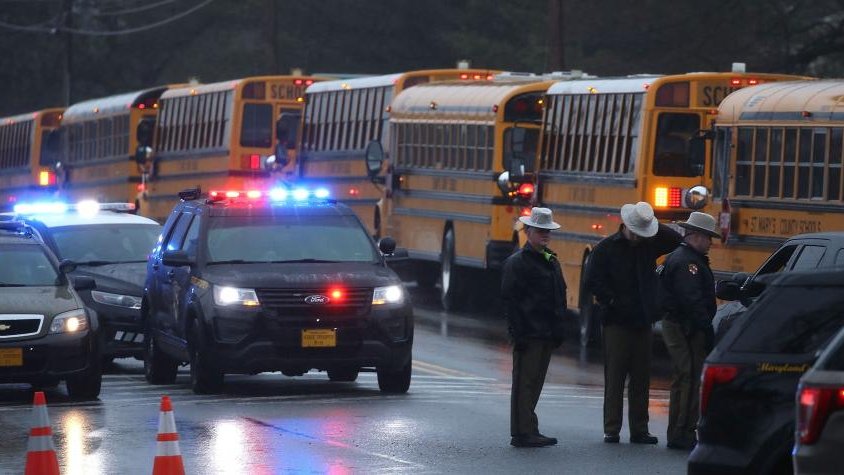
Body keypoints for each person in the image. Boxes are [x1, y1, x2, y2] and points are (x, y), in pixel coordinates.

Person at [585, 201, 682, 445]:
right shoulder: (606, 249)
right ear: (627, 226)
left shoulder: (648, 245)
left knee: (641, 377)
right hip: (616, 321)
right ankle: (612, 429)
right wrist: (610, 300)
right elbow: (592, 279)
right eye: (638, 229)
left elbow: (673, 240)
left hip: (642, 319)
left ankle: (640, 429)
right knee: (615, 376)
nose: (641, 235)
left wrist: (652, 222)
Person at [501, 207, 567, 448]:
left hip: (546, 333)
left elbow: (559, 296)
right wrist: (518, 334)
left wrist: (558, 329)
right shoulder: (517, 263)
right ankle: (522, 432)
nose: (545, 235)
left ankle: (529, 428)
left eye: (548, 231)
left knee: (535, 383)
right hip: (528, 333)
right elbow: (511, 301)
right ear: (528, 231)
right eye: (540, 230)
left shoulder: (551, 261)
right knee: (524, 384)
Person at [657, 212, 720, 450]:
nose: (710, 243)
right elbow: (691, 300)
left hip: (682, 325)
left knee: (688, 378)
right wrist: (704, 326)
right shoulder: (688, 263)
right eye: (708, 237)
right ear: (695, 236)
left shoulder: (682, 258)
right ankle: (681, 432)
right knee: (688, 378)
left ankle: (681, 430)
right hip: (685, 327)